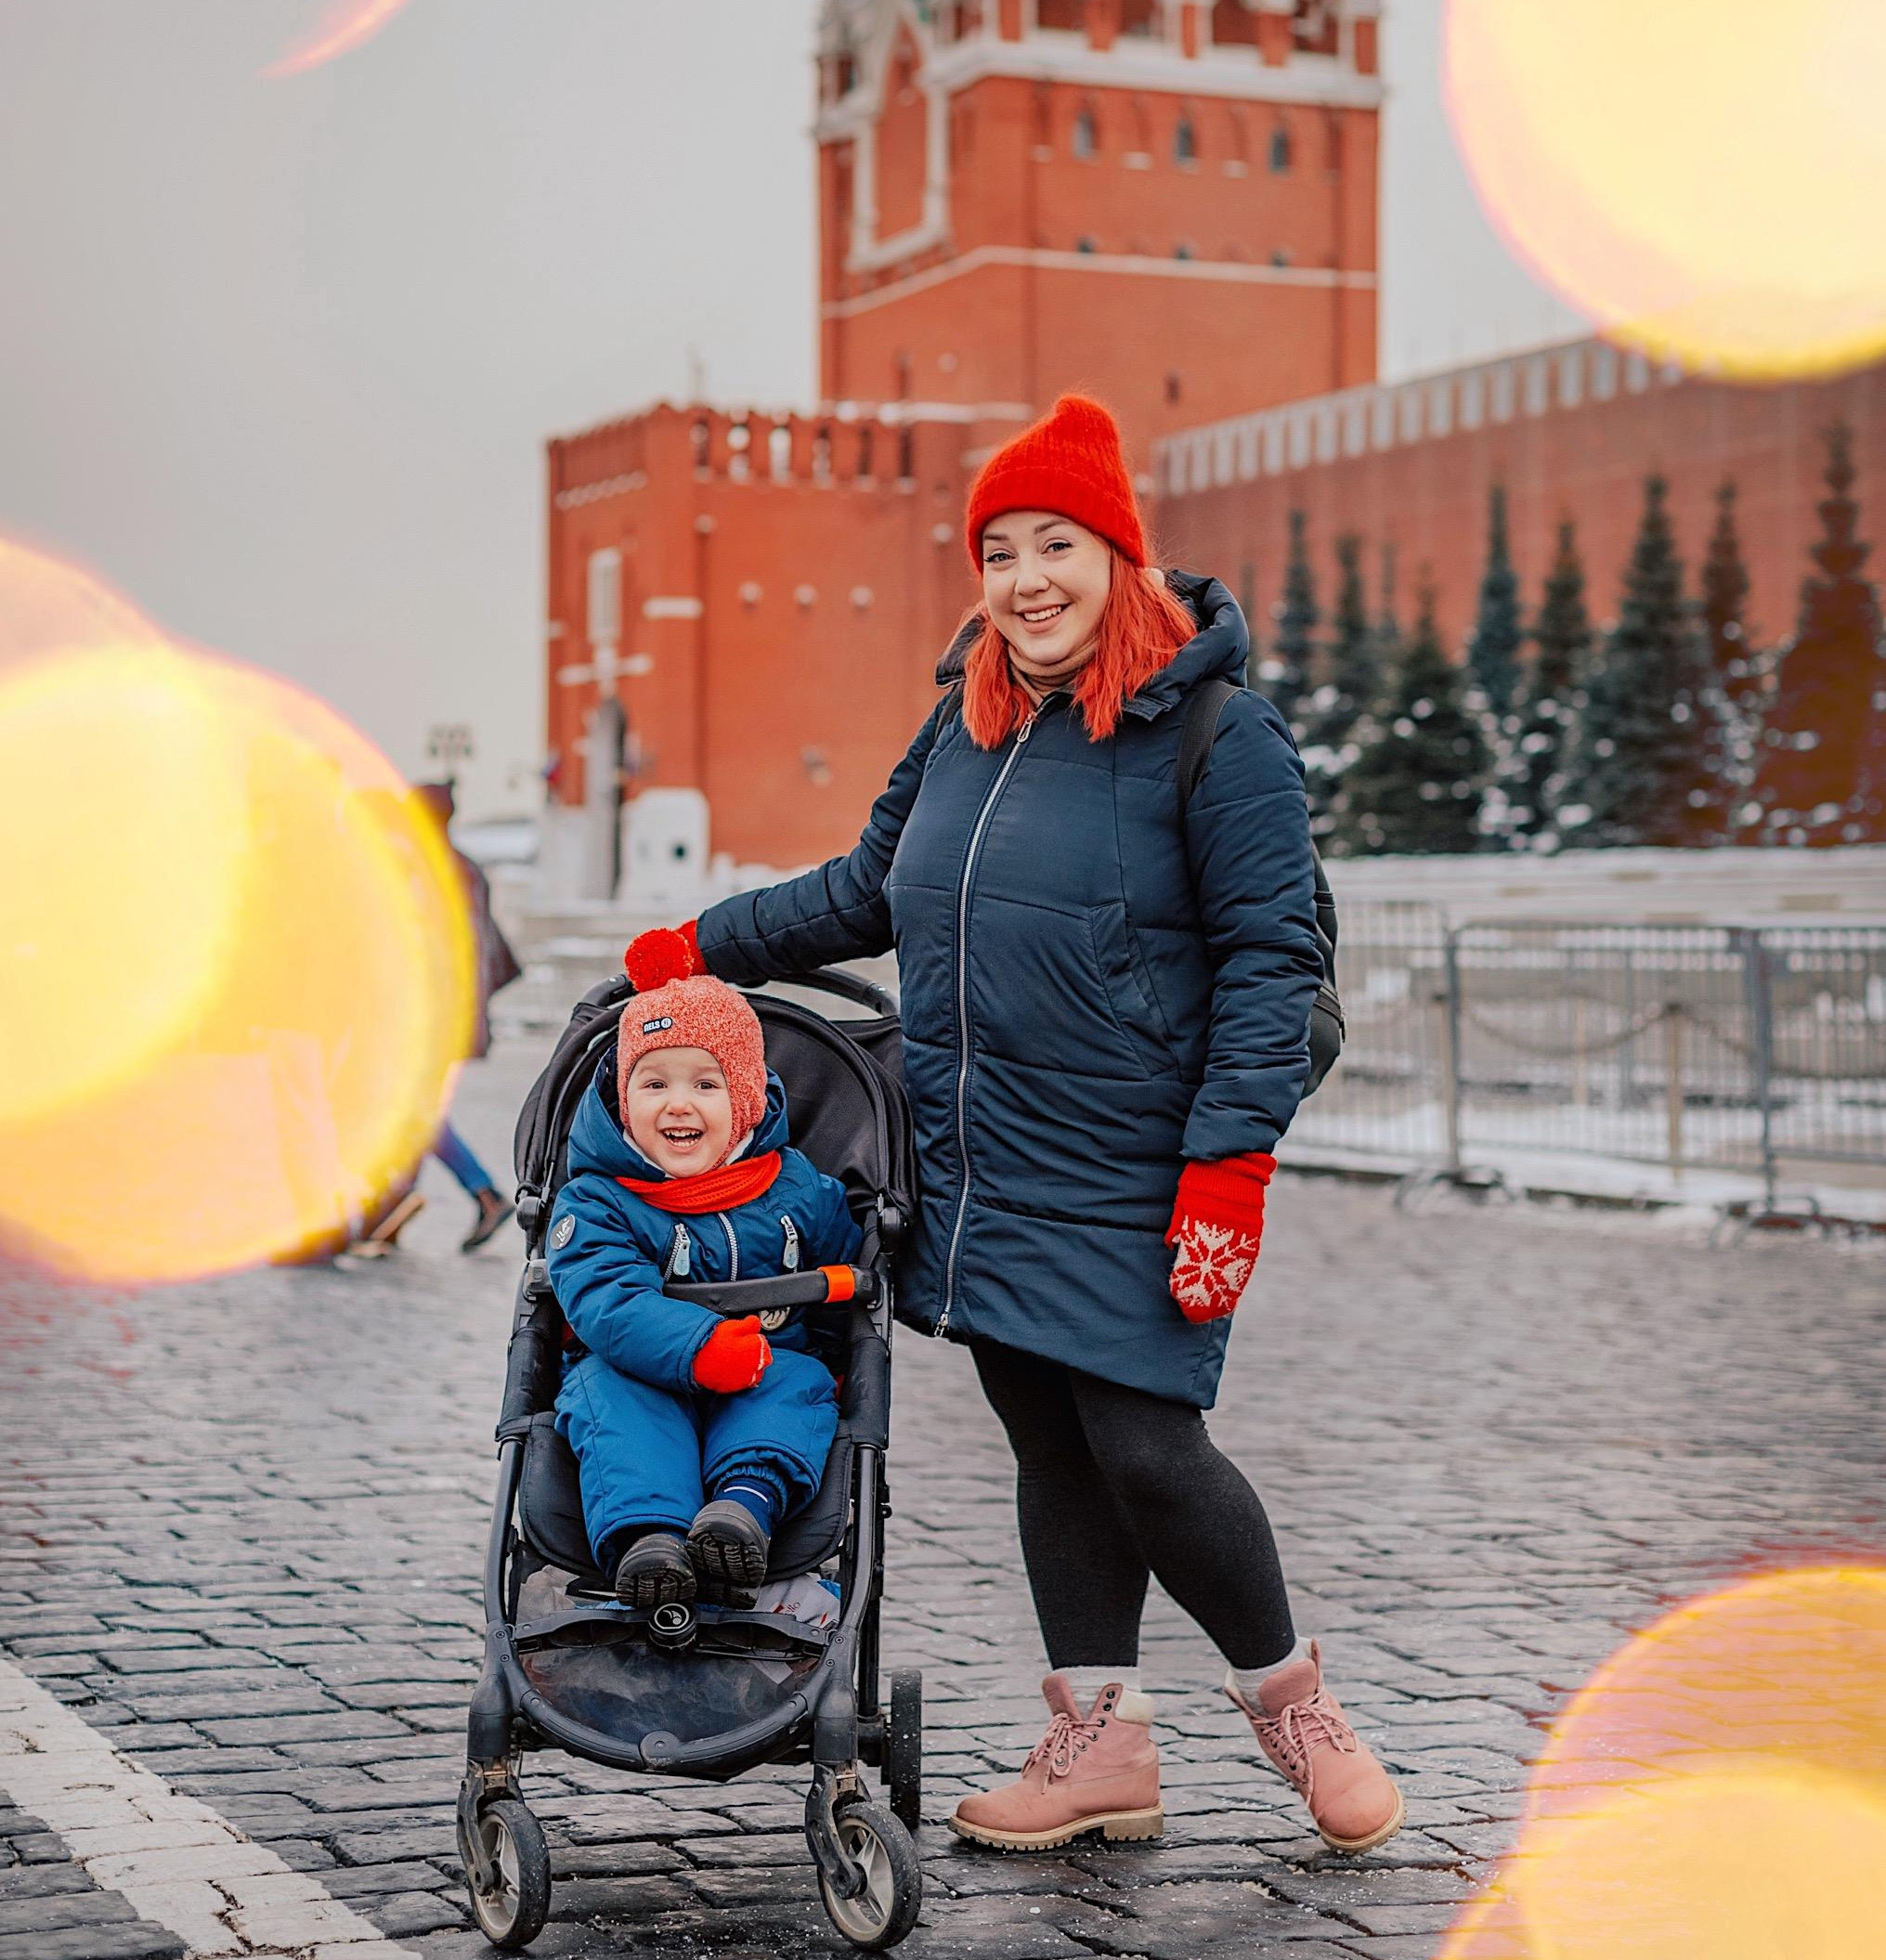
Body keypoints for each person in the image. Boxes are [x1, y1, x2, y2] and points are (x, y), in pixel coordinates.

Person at [622, 393, 1401, 1855]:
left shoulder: (1218, 737)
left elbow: (1269, 960)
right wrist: (696, 945)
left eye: (1056, 543)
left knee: (1152, 1450)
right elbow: (865, 892)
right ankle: (1097, 1746)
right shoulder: (964, 723)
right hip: (982, 1162)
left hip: (1137, 1166)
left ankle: (1292, 1705)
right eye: (998, 550)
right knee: (1048, 1448)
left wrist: (1225, 1173)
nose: (1026, 578)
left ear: (1118, 557)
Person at [545, 970, 864, 1607]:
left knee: (796, 1386)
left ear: (744, 1099)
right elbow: (608, 1302)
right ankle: (650, 1542)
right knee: (614, 1402)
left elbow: (848, 1277)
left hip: (764, 1363)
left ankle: (739, 1512)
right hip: (637, 1368)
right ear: (621, 1099)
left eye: (706, 1084)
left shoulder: (797, 1188)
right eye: (654, 1084)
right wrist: (698, 1347)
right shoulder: (598, 1200)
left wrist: (841, 1350)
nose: (678, 1104)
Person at [357, 783, 521, 1255]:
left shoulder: (428, 870)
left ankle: (482, 1194)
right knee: (414, 1110)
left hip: (433, 1014)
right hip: (453, 1011)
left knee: (413, 1111)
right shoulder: (466, 867)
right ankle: (391, 1206)